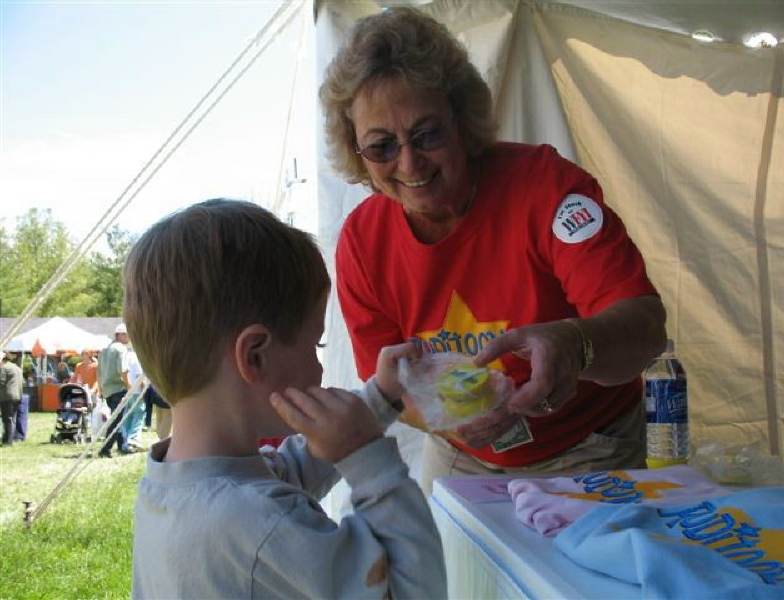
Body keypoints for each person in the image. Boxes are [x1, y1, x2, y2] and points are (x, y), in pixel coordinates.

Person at [320, 7, 668, 495]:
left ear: (461, 120)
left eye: (427, 134)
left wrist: (575, 344)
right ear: (356, 150)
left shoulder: (545, 188)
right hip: (461, 456)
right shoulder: (362, 242)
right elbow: (389, 381)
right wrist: (447, 421)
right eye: (381, 147)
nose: (409, 162)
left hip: (590, 447)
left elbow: (647, 328)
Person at [126, 199, 445, 599]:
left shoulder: (178, 485)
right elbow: (416, 591)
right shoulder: (254, 523)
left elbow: (283, 473)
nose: (320, 369)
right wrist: (370, 462)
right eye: (315, 345)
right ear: (255, 355)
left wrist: (380, 398)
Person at [97, 323, 130, 457]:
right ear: (120, 335)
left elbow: (98, 372)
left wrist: (100, 388)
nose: (129, 338)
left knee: (119, 418)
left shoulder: (104, 349)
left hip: (106, 389)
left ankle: (122, 445)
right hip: (118, 388)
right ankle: (105, 449)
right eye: (127, 334)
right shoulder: (121, 349)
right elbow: (123, 370)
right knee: (117, 420)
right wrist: (129, 386)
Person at [0, 352, 24, 446]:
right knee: (12, 419)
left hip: (7, 397)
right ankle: (10, 439)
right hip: (17, 396)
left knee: (7, 419)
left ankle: (7, 441)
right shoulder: (17, 368)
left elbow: (1, 382)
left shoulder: (4, 368)